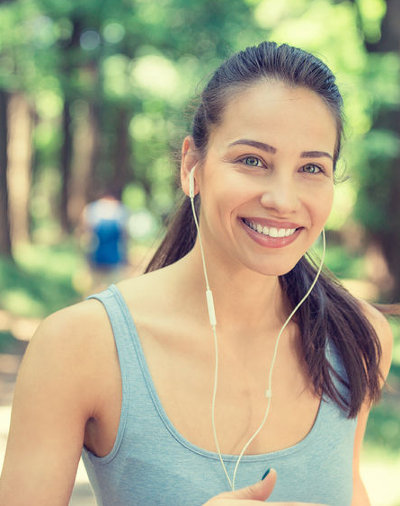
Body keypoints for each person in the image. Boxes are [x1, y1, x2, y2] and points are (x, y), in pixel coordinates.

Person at [0, 41, 394, 506]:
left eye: (311, 167)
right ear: (192, 166)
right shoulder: (79, 346)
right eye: (252, 161)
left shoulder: (359, 338)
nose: (284, 199)